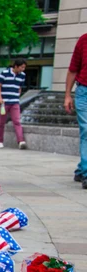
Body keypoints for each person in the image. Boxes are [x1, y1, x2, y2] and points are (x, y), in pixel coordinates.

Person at [64, 33, 87, 189]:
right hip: (83, 92)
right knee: (86, 129)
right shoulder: (83, 40)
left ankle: (81, 169)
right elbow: (73, 70)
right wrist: (67, 95)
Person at [0, 58, 27, 150]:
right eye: (22, 67)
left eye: (24, 67)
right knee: (1, 122)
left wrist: (17, 95)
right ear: (16, 66)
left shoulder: (22, 75)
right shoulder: (5, 73)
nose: (23, 69)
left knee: (17, 121)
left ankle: (21, 141)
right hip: (4, 103)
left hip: (15, 102)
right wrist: (0, 98)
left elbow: (20, 87)